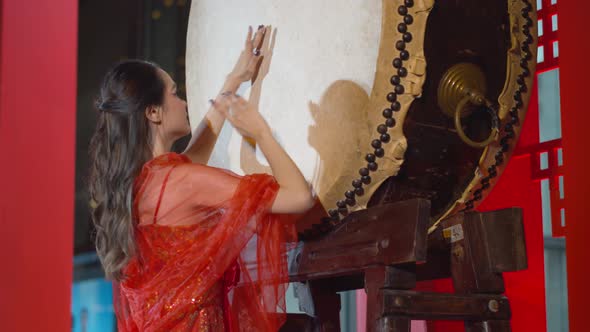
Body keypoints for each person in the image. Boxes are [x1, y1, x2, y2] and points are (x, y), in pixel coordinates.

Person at [88, 26, 314, 331]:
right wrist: (260, 131)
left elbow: (193, 157)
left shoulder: (141, 186)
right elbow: (299, 196)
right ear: (153, 112)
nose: (183, 103)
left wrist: (235, 79)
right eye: (175, 94)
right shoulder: (183, 181)